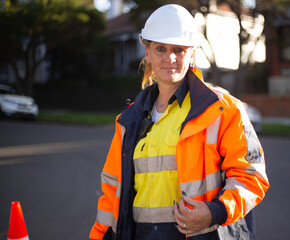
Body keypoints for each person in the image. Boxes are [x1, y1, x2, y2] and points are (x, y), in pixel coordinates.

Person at [89, 4, 269, 240]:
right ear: (148, 52)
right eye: (160, 49)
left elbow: (251, 175)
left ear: (192, 52)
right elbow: (112, 190)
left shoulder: (223, 110)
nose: (169, 58)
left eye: (179, 50)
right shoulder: (128, 120)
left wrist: (215, 211)